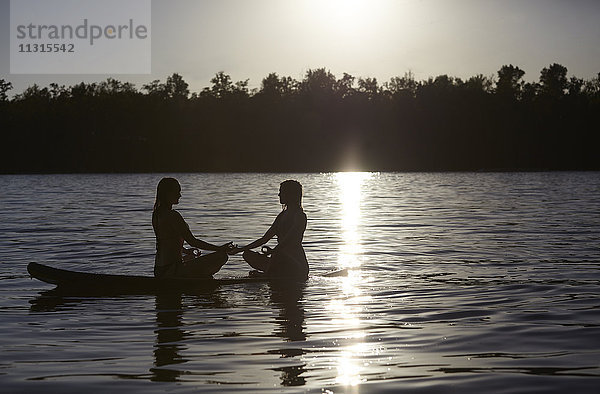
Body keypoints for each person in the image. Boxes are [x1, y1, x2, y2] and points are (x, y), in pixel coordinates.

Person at [152, 177, 232, 278]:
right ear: (167, 194)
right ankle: (202, 280)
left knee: (191, 256)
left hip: (159, 270)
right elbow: (193, 241)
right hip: (172, 271)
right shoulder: (173, 215)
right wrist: (220, 248)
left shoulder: (156, 214)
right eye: (177, 191)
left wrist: (185, 250)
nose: (180, 195)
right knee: (222, 256)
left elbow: (166, 242)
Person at [231, 180, 309, 280]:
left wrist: (273, 251)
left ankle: (267, 274)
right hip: (279, 259)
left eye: (282, 192)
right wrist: (240, 249)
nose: (279, 194)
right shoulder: (282, 216)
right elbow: (264, 239)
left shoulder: (300, 216)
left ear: (291, 194)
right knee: (247, 254)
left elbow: (289, 240)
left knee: (279, 253)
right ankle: (271, 271)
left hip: (296, 264)